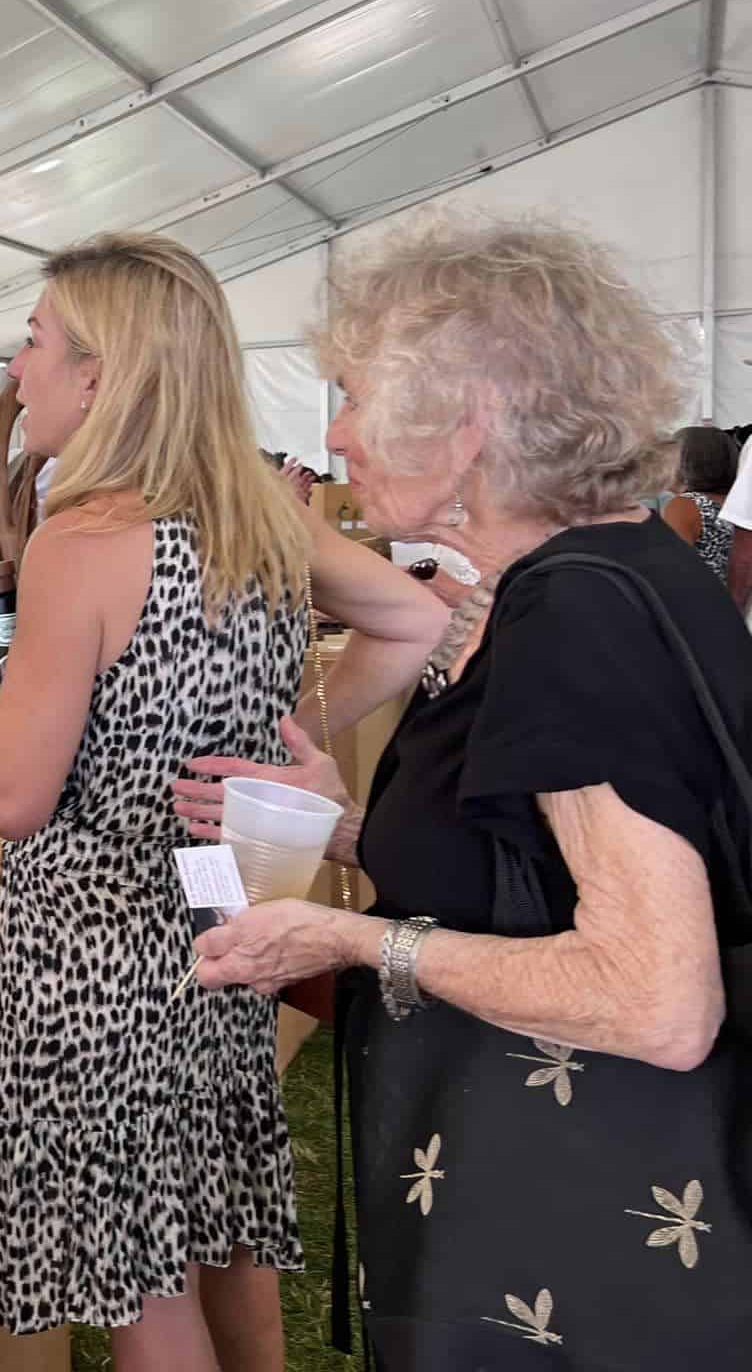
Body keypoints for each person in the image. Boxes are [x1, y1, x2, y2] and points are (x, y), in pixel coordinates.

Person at [177, 219, 752, 1368]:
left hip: (572, 1262)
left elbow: (654, 999)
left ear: (469, 413)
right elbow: (542, 867)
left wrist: (347, 937)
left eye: (349, 395)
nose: (330, 436)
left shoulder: (569, 612)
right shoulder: (615, 568)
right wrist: (344, 822)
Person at [0, 234, 443, 1370]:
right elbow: (419, 623)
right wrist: (293, 731)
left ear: (101, 372)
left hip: (97, 948)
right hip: (223, 922)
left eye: (32, 343)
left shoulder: (80, 544)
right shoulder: (257, 518)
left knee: (143, 1282)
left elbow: (14, 797)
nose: (15, 372)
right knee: (223, 1244)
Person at [662, 425, 738, 584]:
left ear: (683, 463)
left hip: (702, 602)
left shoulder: (685, 506)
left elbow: (673, 570)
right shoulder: (736, 503)